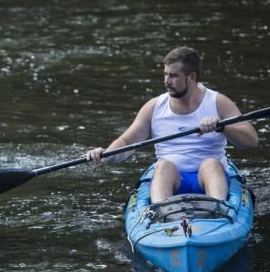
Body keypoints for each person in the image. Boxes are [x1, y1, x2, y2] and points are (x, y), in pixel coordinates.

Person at [85, 47, 258, 203]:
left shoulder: (218, 103)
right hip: (172, 180)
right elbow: (126, 142)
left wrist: (223, 127)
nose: (167, 81)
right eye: (166, 74)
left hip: (209, 179)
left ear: (192, 77)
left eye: (173, 76)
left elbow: (251, 140)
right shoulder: (154, 107)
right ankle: (161, 212)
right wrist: (106, 154)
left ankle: (217, 209)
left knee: (211, 163)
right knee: (163, 165)